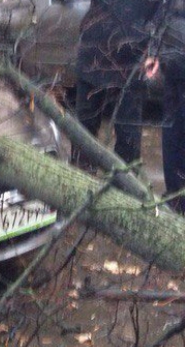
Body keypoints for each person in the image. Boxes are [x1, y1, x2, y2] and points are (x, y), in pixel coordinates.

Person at [75, 0, 162, 168]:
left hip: (131, 59)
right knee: (84, 134)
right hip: (93, 51)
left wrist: (153, 50)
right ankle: (77, 184)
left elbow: (164, 12)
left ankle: (125, 188)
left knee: (128, 140)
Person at [144, 0, 185, 212]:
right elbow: (160, 18)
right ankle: (175, 197)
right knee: (171, 137)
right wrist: (153, 53)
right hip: (173, 73)